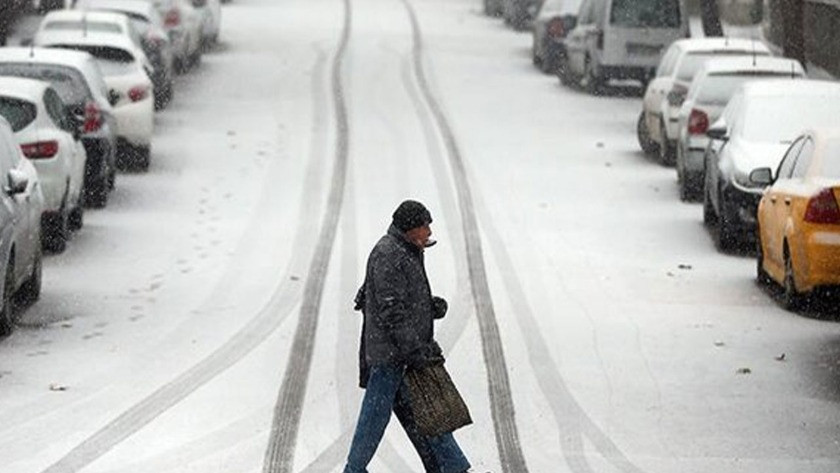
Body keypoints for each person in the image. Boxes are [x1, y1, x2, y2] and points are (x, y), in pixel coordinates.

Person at [344, 200, 471, 473]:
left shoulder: (406, 249)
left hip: (401, 353)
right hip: (390, 355)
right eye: (425, 226)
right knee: (375, 417)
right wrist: (415, 350)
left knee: (426, 412)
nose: (429, 232)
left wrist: (428, 305)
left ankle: (452, 468)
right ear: (411, 228)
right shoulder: (388, 255)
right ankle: (353, 470)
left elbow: (400, 299)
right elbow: (391, 309)